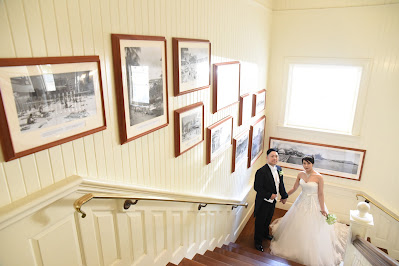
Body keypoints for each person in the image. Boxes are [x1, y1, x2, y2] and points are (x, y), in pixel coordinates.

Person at [269, 155, 349, 265]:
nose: (306, 165)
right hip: (301, 201)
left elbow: (320, 194)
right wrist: (284, 196)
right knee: (296, 223)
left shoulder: (319, 177)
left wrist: (322, 209)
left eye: (308, 163)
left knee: (312, 227)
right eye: (304, 163)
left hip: (314, 204)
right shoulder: (300, 174)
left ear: (313, 164)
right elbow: (294, 188)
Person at [254, 148, 288, 252]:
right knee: (260, 222)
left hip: (273, 201)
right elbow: (257, 187)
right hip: (263, 201)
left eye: (276, 156)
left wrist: (284, 195)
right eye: (272, 156)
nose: (274, 158)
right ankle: (257, 242)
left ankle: (265, 234)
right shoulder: (261, 171)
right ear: (267, 158)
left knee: (268, 219)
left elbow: (280, 184)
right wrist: (269, 195)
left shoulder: (279, 169)